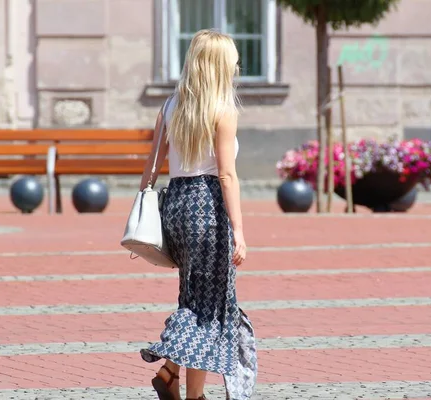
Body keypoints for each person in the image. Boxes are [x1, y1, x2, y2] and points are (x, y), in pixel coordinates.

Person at [138, 29, 257, 400]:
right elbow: (226, 174)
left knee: (195, 298)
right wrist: (238, 230)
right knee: (210, 307)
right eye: (233, 59)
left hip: (176, 203)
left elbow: (153, 163)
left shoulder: (172, 105)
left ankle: (172, 375)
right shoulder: (222, 109)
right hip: (208, 207)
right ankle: (191, 393)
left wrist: (143, 204)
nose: (238, 65)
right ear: (221, 65)